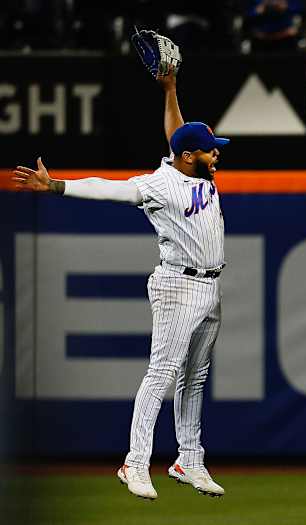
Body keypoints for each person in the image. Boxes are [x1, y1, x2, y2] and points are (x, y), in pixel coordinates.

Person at [12, 68, 227, 500]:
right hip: (178, 285)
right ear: (190, 157)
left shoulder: (195, 169)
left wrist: (169, 90)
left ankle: (188, 459)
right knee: (162, 373)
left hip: (210, 288)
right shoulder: (159, 185)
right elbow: (107, 189)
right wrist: (56, 186)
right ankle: (135, 462)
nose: (216, 156)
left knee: (195, 377)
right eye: (210, 151)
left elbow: (176, 134)